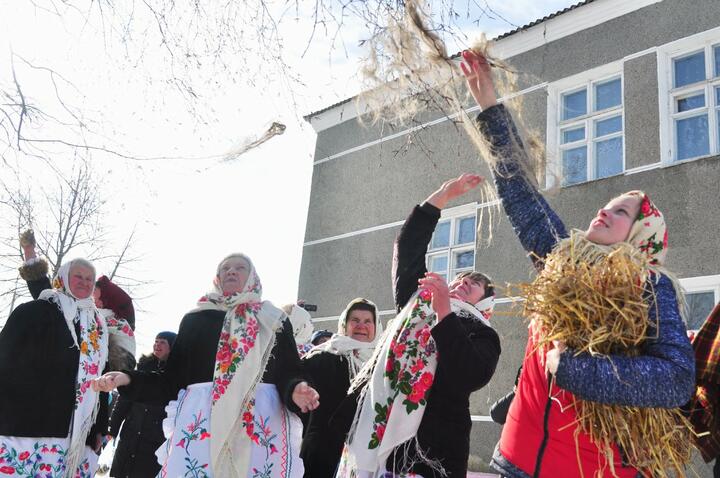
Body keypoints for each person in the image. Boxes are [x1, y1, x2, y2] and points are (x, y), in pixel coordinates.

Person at [461, 49, 695, 477]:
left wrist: (575, 370)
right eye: (607, 206)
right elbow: (521, 194)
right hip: (516, 457)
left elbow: (675, 378)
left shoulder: (648, 287)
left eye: (622, 212)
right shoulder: (561, 258)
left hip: (585, 469)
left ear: (642, 236)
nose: (604, 212)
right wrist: (490, 107)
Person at [93, 253, 319, 477]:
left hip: (256, 424)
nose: (231, 271)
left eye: (240, 267)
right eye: (225, 268)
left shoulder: (273, 320)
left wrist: (295, 389)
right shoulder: (196, 320)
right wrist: (128, 379)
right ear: (217, 279)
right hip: (203, 422)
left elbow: (289, 370)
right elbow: (171, 381)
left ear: (252, 277)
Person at [338, 175, 501, 478]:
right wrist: (442, 196)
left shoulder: (483, 333)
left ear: (486, 304)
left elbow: (471, 374)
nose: (465, 282)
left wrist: (445, 315)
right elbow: (409, 246)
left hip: (432, 449)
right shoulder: (418, 301)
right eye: (461, 279)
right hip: (379, 429)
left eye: (476, 284)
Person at [0, 258, 110, 477]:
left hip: (75, 434)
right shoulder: (35, 311)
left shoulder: (97, 327)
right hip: (27, 422)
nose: (85, 282)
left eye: (90, 279)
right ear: (63, 277)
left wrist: (99, 427)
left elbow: (103, 379)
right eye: (78, 276)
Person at [18, 230, 136, 372]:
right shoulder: (63, 305)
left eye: (93, 286)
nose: (86, 286)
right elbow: (41, 286)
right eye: (79, 277)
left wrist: (115, 375)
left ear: (105, 303)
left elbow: (122, 367)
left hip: (91, 389)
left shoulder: (112, 324)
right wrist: (29, 250)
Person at [301, 298, 383, 478]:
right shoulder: (322, 358)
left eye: (368, 321)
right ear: (344, 325)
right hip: (322, 455)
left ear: (376, 327)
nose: (361, 326)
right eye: (355, 320)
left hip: (364, 458)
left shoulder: (382, 365)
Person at [108, 331, 177, 478]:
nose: (157, 344)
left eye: (163, 342)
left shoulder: (175, 377)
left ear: (172, 346)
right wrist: (112, 429)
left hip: (154, 441)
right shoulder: (142, 368)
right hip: (131, 435)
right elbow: (124, 401)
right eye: (156, 341)